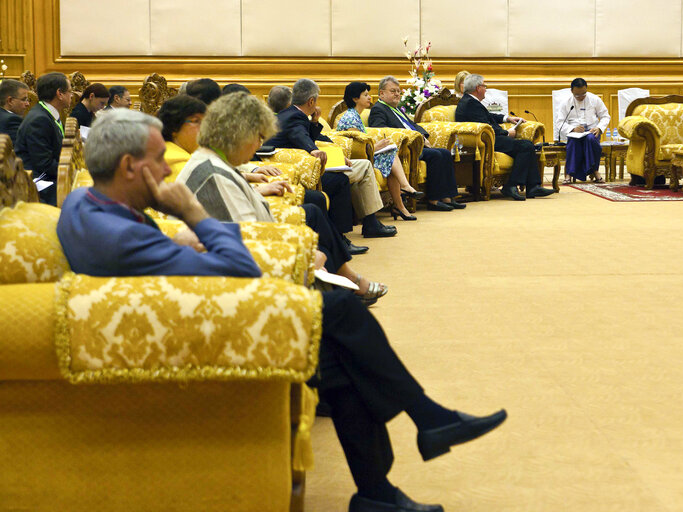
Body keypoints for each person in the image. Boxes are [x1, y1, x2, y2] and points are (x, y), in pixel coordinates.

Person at [57, 108, 507, 512]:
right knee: (340, 312)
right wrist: (193, 215)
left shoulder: (85, 203)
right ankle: (425, 418)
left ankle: (380, 486)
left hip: (180, 311)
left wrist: (181, 239)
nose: (168, 168)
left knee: (342, 366)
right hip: (193, 335)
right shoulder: (116, 234)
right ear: (129, 167)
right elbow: (239, 271)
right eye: (159, 159)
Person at [173, 92, 387, 302]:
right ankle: (343, 288)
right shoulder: (212, 173)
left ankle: (343, 286)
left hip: (255, 256)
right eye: (258, 137)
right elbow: (248, 242)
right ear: (239, 134)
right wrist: (302, 257)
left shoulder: (212, 160)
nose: (259, 144)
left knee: (314, 228)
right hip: (240, 282)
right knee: (347, 309)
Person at [266, 78, 397, 238]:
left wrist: (314, 122)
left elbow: (303, 136)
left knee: (360, 168)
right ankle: (367, 225)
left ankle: (370, 223)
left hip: (300, 164)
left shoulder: (290, 114)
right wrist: (314, 150)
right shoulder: (296, 118)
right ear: (311, 101)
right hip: (301, 169)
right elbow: (299, 136)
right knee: (362, 168)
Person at [368, 76, 464, 211]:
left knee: (445, 153)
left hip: (416, 144)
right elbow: (382, 132)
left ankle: (448, 197)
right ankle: (433, 200)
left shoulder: (395, 109)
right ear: (381, 93)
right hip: (405, 148)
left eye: (398, 91)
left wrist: (423, 136)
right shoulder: (379, 109)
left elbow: (412, 125)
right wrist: (415, 137)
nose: (397, 94)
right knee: (436, 155)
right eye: (393, 91)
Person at [455, 74, 554, 201]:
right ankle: (512, 185)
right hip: (485, 141)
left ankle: (533, 186)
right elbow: (484, 125)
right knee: (526, 146)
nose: (486, 89)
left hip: (488, 139)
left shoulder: (470, 101)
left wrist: (507, 118)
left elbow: (488, 116)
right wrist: (507, 133)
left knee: (526, 146)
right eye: (484, 86)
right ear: (478, 88)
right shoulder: (470, 103)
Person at [336, 81, 423, 221]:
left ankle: (400, 204)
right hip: (355, 159)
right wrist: (377, 147)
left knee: (390, 155)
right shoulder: (350, 118)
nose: (370, 97)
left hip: (365, 155)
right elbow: (355, 149)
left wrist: (378, 146)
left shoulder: (355, 115)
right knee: (390, 155)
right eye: (365, 95)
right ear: (355, 99)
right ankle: (404, 192)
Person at [14, 72, 71, 205]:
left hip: (49, 175)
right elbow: (44, 164)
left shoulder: (47, 114)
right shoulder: (39, 119)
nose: (72, 95)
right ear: (60, 94)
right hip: (38, 183)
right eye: (70, 91)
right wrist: (71, 171)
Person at [558, 78, 610, 183]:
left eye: (584, 94)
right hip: (574, 132)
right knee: (573, 142)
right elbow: (560, 123)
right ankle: (569, 174)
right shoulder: (566, 103)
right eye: (577, 95)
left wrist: (599, 128)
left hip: (591, 131)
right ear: (572, 91)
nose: (581, 97)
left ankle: (595, 171)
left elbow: (605, 116)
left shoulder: (595, 99)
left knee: (590, 140)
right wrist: (573, 129)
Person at [0, 79, 30, 144]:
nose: (28, 104)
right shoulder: (12, 120)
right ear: (10, 100)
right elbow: (20, 151)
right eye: (24, 99)